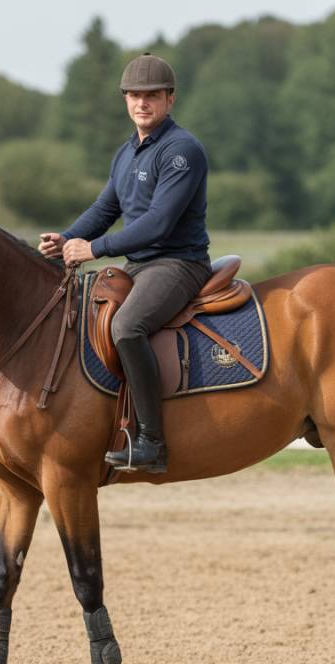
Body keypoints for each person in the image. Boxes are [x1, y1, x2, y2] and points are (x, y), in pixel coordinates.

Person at [39, 53, 211, 474]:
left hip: (177, 263)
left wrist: (94, 250)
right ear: (126, 101)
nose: (142, 103)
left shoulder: (181, 151)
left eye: (152, 95)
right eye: (134, 95)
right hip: (139, 265)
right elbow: (104, 209)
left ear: (170, 100)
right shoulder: (127, 154)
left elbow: (158, 222)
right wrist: (67, 238)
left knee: (126, 326)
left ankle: (152, 440)